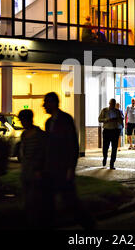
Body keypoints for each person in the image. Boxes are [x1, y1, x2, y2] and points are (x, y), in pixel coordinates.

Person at [42, 92, 95, 229]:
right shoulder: (48, 123)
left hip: (63, 168)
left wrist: (71, 168)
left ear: (53, 103)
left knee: (70, 201)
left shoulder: (65, 119)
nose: (44, 106)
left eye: (46, 103)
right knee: (49, 202)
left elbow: (72, 145)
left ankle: (88, 224)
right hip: (51, 169)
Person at [18, 109, 48, 227]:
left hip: (36, 173)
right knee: (27, 200)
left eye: (23, 120)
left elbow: (43, 153)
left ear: (29, 119)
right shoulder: (24, 135)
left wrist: (40, 169)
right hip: (26, 172)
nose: (22, 123)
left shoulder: (39, 135)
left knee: (35, 200)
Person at [98, 98, 124, 169]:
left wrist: (120, 124)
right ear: (109, 103)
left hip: (115, 131)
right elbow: (99, 119)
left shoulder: (117, 111)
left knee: (114, 148)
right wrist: (107, 120)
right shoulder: (104, 110)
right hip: (107, 130)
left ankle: (112, 163)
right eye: (111, 103)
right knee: (105, 147)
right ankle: (105, 157)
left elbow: (121, 119)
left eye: (114, 104)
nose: (112, 105)